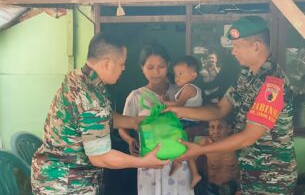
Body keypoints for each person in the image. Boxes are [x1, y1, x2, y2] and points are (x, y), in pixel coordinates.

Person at [165, 16, 298, 194]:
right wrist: (179, 110)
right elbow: (220, 109)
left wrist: (201, 149)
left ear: (256, 46)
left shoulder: (273, 84)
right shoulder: (247, 75)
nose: (233, 52)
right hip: (249, 175)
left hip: (272, 179)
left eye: (236, 46)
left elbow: (248, 137)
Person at [31, 33, 169, 195]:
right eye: (121, 64)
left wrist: (134, 121)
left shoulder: (79, 77)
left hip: (51, 174)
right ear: (107, 63)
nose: (123, 68)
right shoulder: (91, 97)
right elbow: (100, 157)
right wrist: (143, 161)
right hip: (66, 184)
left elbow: (102, 117)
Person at [119, 43, 194, 195]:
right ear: (142, 68)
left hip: (178, 158)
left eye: (161, 66)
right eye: (150, 67)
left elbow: (194, 119)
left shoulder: (180, 93)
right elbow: (122, 126)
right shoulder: (135, 96)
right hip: (149, 161)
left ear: (169, 65)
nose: (156, 72)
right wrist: (129, 140)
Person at [161, 56, 202, 189]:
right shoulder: (184, 88)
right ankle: (178, 160)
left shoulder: (189, 88)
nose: (177, 77)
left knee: (181, 142)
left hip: (189, 122)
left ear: (193, 75)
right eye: (176, 74)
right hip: (186, 121)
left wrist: (164, 102)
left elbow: (178, 105)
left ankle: (193, 173)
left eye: (181, 74)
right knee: (180, 143)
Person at [199, 119, 240, 195]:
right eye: (212, 127)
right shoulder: (205, 143)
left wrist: (239, 189)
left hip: (232, 187)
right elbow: (190, 157)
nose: (215, 131)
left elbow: (244, 166)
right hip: (211, 187)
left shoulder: (236, 144)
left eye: (220, 127)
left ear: (229, 129)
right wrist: (195, 175)